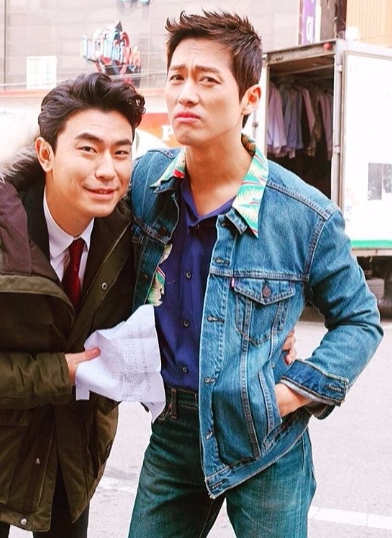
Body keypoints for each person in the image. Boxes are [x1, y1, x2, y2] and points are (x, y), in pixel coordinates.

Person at [128, 10, 383, 538]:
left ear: (249, 99)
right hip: (174, 432)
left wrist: (288, 394)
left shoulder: (304, 215)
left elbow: (360, 321)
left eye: (207, 80)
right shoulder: (147, 182)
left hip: (266, 438)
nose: (186, 95)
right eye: (177, 77)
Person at [0, 72, 145, 537]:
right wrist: (59, 373)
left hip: (73, 452)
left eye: (121, 152)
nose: (107, 170)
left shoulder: (130, 232)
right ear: (45, 154)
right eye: (88, 149)